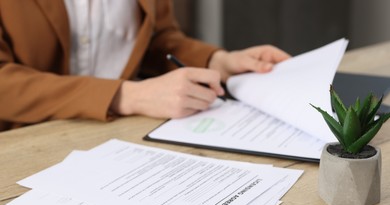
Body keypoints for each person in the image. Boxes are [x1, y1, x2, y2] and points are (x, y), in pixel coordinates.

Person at [0, 0, 290, 131]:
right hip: (21, 143)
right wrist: (129, 96)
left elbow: (156, 38)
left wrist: (220, 62)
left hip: (115, 135)